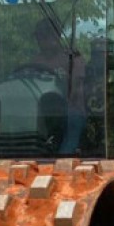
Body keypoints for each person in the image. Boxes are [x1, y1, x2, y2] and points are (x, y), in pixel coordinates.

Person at [31, 19, 86, 154]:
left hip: (68, 110)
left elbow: (76, 90)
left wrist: (60, 106)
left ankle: (64, 159)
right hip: (41, 112)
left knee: (73, 119)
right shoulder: (35, 61)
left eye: (46, 36)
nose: (42, 40)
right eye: (40, 37)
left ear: (57, 36)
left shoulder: (73, 59)